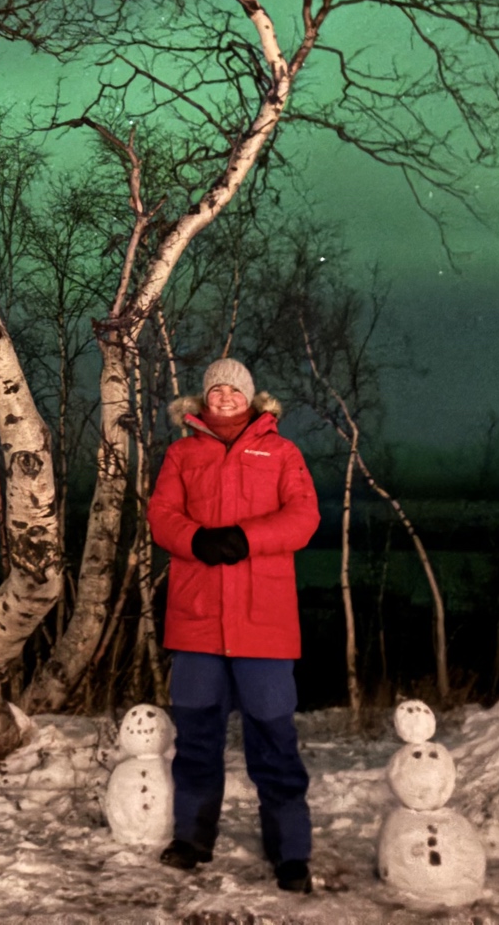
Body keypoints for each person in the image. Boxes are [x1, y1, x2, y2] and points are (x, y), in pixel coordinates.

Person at [147, 357, 322, 895]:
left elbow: (304, 517)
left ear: (250, 397)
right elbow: (161, 515)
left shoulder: (282, 451)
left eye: (233, 389)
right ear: (203, 399)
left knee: (273, 736)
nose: (224, 396)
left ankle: (290, 852)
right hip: (197, 621)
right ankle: (193, 838)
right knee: (197, 736)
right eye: (215, 389)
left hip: (263, 623)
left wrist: (246, 538)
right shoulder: (182, 452)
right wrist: (196, 540)